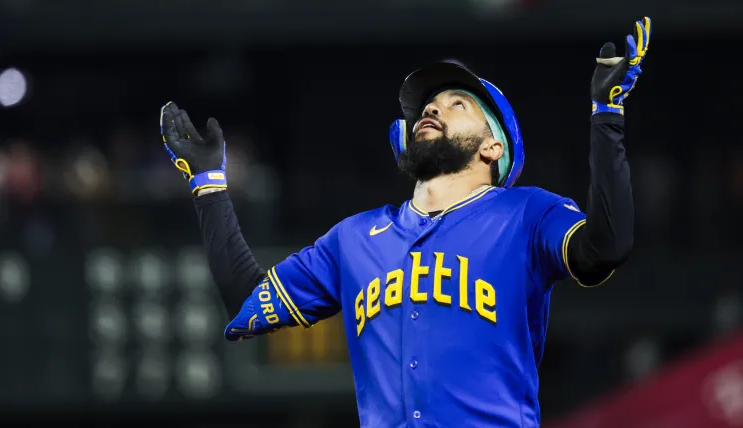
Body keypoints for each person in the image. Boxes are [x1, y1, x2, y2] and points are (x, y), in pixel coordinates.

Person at [158, 17, 650, 428]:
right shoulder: (354, 238)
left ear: (492, 147)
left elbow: (604, 249)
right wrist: (208, 184)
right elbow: (248, 300)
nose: (434, 107)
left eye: (458, 104)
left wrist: (606, 116)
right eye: (429, 106)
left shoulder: (525, 213)